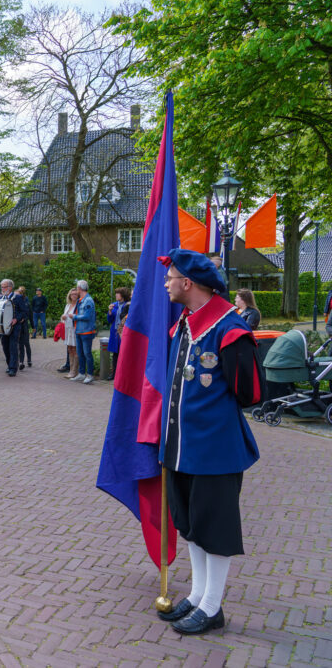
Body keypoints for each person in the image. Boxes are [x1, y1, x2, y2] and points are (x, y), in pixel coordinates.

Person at [156, 248, 262, 635]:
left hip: (214, 450)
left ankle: (213, 606)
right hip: (182, 447)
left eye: (171, 277)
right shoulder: (184, 324)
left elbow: (250, 392)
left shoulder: (229, 329)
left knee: (214, 529)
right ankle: (199, 596)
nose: (166, 283)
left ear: (188, 283)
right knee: (191, 525)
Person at [0, 279, 26, 377]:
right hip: (4, 327)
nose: (2, 289)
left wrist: (16, 319)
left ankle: (13, 368)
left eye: (4, 287)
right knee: (5, 346)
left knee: (13, 346)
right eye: (1, 287)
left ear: (10, 287)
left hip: (15, 326)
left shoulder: (17, 297)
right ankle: (10, 364)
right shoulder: (1, 298)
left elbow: (24, 311)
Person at [72, 280, 97, 384]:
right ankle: (82, 374)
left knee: (87, 353)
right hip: (79, 331)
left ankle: (90, 375)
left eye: (77, 288)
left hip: (86, 331)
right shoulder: (81, 300)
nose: (76, 290)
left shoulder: (88, 301)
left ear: (80, 289)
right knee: (80, 353)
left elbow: (87, 316)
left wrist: (75, 317)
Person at [106, 287, 131, 380]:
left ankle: (122, 375)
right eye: (116, 293)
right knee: (115, 354)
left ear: (123, 295)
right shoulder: (114, 305)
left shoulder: (127, 305)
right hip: (114, 332)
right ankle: (114, 374)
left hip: (123, 332)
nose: (116, 295)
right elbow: (109, 320)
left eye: (118, 293)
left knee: (123, 353)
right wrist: (109, 311)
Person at [60, 288, 79, 379]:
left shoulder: (78, 306)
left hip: (74, 329)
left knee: (75, 349)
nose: (74, 296)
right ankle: (71, 369)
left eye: (75, 294)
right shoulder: (68, 305)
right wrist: (63, 318)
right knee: (69, 349)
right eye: (72, 294)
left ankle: (74, 371)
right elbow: (63, 318)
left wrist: (73, 317)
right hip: (68, 329)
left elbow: (79, 317)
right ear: (69, 295)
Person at [16, 286, 33, 369]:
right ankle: (21, 362)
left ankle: (29, 360)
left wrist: (33, 326)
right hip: (18, 326)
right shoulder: (15, 303)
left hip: (24, 326)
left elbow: (29, 314)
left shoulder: (26, 302)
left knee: (26, 344)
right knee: (20, 345)